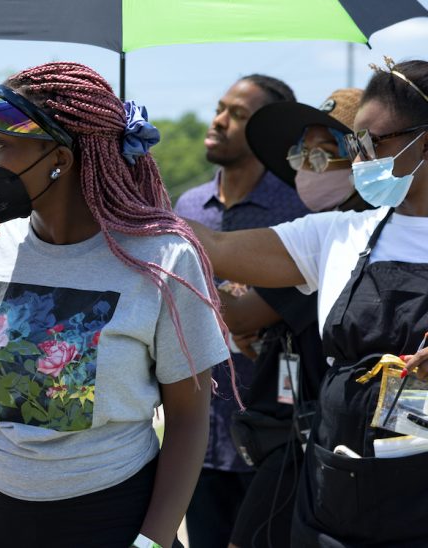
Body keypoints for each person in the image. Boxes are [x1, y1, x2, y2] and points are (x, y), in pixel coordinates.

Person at [0, 62, 230, 548]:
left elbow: (189, 419)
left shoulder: (162, 258)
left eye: (1, 145)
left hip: (112, 514)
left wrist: (153, 539)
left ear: (59, 158)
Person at [187, 58, 428, 547]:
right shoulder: (341, 234)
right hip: (337, 489)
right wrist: (124, 195)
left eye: (372, 143)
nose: (358, 158)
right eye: (352, 144)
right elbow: (216, 249)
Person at [220, 88, 369, 548]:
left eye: (324, 156)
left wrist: (217, 291)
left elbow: (241, 316)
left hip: (309, 449)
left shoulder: (346, 238)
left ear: (364, 161)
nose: (307, 167)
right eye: (302, 153)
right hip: (288, 438)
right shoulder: (316, 233)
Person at [172, 74, 308, 548]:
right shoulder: (188, 206)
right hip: (195, 442)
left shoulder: (298, 212)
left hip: (273, 438)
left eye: (240, 115)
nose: (220, 121)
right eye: (220, 107)